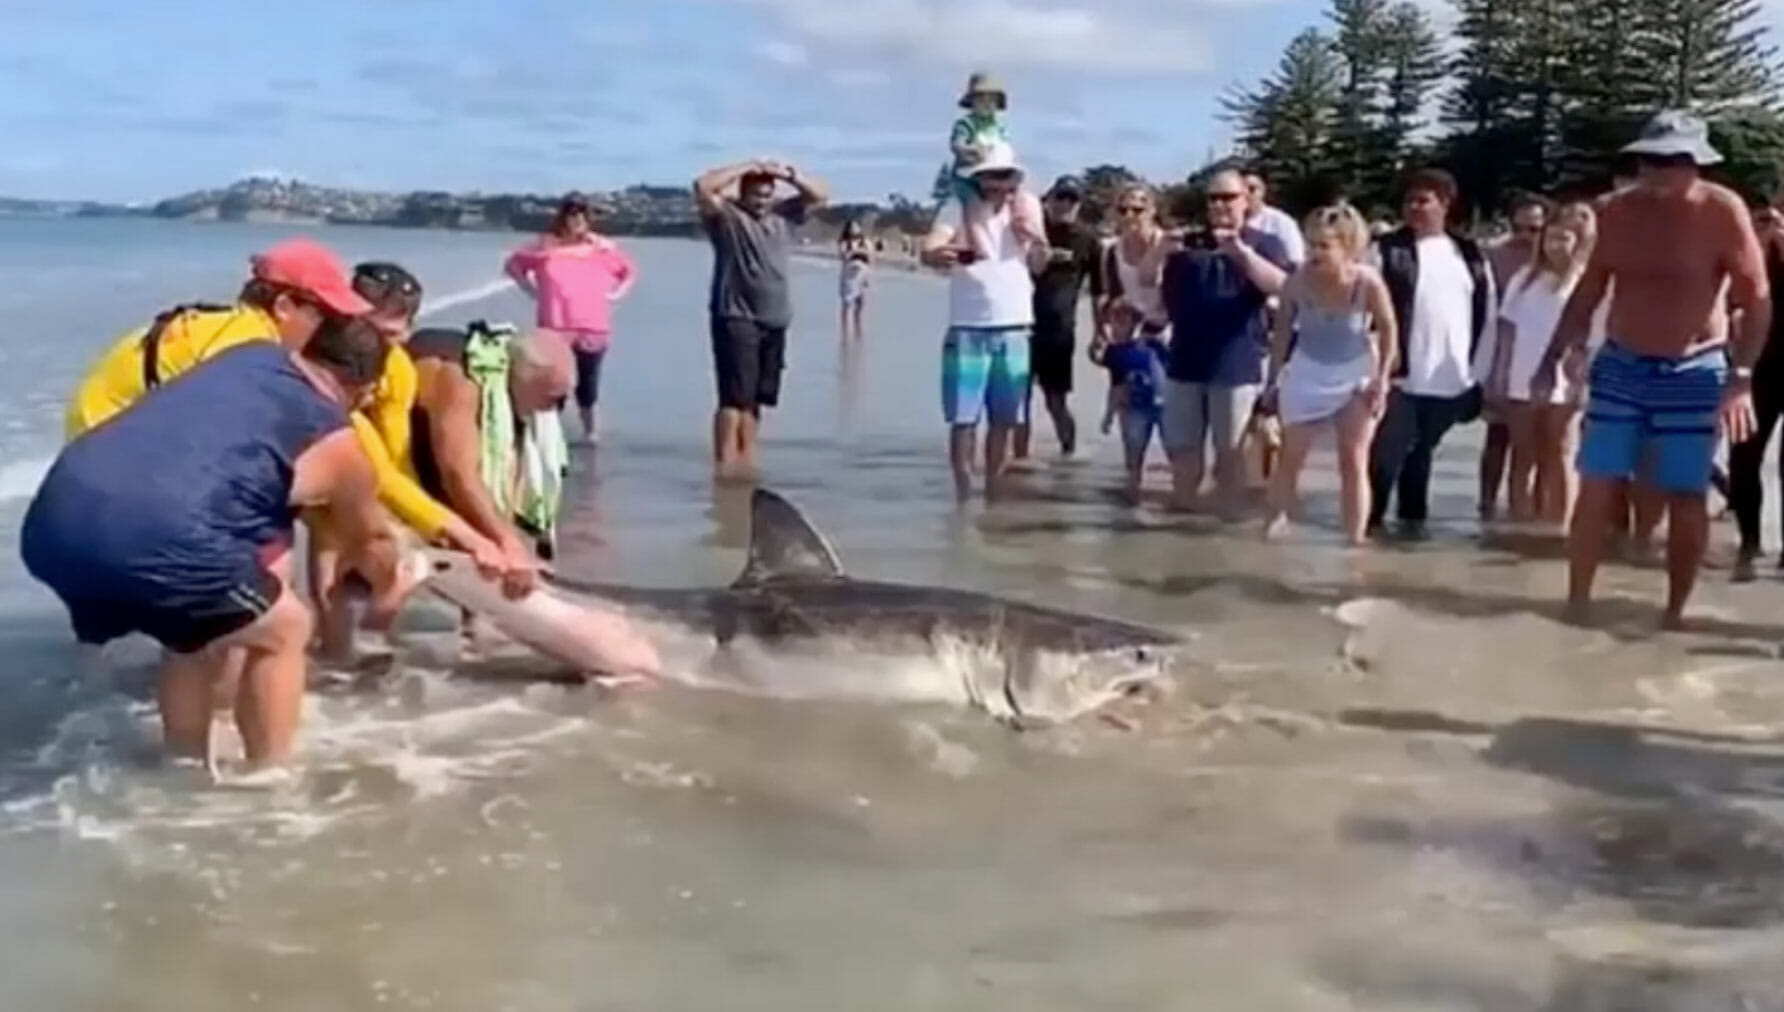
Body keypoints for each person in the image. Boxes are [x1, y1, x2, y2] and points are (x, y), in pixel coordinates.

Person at [20, 319, 478, 771]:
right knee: (286, 628)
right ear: (365, 389)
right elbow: (372, 541)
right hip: (157, 536)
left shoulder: (246, 357)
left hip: (51, 523)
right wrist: (391, 584)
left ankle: (182, 765)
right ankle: (268, 779)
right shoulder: (341, 444)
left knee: (191, 633)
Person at [1530, 110, 1772, 627]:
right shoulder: (1614, 211)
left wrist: (1742, 378)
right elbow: (1591, 289)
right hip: (1622, 364)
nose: (1661, 171)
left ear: (1698, 163)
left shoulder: (1722, 211)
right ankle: (1576, 603)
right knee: (1598, 484)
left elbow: (1757, 298)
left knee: (1685, 492)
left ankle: (1674, 612)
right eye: (1651, 160)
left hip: (1695, 369)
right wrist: (1553, 355)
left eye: (1674, 160)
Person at [1148, 167, 1292, 516]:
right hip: (1183, 362)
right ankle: (1182, 529)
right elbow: (1146, 282)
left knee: (1232, 457)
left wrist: (1240, 253)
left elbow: (1283, 286)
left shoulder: (1264, 242)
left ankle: (1226, 532)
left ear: (1247, 200)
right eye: (1213, 198)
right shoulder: (1187, 243)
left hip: (1236, 365)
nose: (1220, 205)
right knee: (1183, 454)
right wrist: (1160, 251)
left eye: (1228, 197)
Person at [1366, 168, 1496, 537]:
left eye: (1423, 200)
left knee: (1420, 460)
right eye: (1409, 201)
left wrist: (1479, 375)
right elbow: (1365, 314)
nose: (1414, 208)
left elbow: (1487, 316)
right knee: (1385, 460)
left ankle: (1410, 539)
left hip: (1451, 379)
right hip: (1398, 378)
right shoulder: (1385, 251)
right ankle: (1367, 532)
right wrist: (1375, 369)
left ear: (1445, 204)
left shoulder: (1470, 255)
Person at [918, 142, 1049, 501]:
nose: (998, 183)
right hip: (968, 324)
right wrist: (941, 254)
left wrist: (1033, 239)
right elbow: (929, 250)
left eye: (1005, 176)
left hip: (1016, 323)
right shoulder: (957, 206)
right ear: (979, 177)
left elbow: (1039, 264)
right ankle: (962, 492)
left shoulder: (1028, 206)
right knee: (963, 418)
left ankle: (993, 485)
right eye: (991, 176)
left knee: (1006, 418)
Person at [1262, 203, 1397, 545]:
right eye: (1311, 245)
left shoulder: (1367, 282)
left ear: (1348, 248)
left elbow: (1389, 327)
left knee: (1353, 460)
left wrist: (1382, 379)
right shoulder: (1295, 283)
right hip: (1307, 370)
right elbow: (1281, 336)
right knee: (1290, 458)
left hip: (1355, 373)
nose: (1315, 254)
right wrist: (1272, 382)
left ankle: (1355, 542)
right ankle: (1273, 529)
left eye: (1325, 246)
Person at [693, 158, 830, 479]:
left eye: (768, 194)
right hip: (735, 315)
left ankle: (748, 459)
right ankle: (724, 464)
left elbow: (821, 195)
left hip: (775, 317)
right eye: (756, 194)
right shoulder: (727, 216)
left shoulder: (785, 215)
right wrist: (745, 167)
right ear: (743, 194)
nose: (762, 200)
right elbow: (702, 186)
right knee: (733, 398)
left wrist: (788, 174)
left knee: (756, 399)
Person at [408, 322, 579, 568]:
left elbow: (511, 479)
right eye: (553, 399)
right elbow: (458, 474)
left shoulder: (518, 391)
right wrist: (505, 539)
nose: (555, 410)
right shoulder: (462, 383)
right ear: (525, 378)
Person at [1483, 210, 1594, 525]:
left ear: (1579, 242)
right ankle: (1519, 524)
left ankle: (1558, 527)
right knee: (1523, 454)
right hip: (1521, 374)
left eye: (1564, 238)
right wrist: (1499, 373)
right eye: (1551, 237)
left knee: (1559, 454)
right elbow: (1507, 329)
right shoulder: (1525, 278)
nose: (1556, 245)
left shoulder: (1585, 281)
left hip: (1564, 378)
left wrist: (1582, 374)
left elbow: (1590, 333)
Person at [504, 193, 637, 444]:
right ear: (562, 217)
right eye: (570, 214)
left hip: (592, 326)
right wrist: (530, 290)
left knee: (588, 384)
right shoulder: (545, 247)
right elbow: (513, 265)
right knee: (554, 383)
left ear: (587, 219)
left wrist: (615, 294)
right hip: (554, 325)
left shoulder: (602, 249)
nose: (575, 219)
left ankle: (590, 434)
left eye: (581, 215)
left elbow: (628, 272)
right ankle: (549, 437)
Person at [1014, 174, 1104, 461]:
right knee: (1018, 400)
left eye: (1071, 199)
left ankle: (1070, 454)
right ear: (1048, 200)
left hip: (1060, 332)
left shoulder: (1089, 240)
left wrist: (1100, 333)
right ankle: (1018, 462)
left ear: (1078, 204)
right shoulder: (1030, 230)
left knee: (1056, 402)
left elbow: (1100, 291)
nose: (1064, 204)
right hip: (1020, 326)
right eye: (1059, 198)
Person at [1479, 195, 1551, 521]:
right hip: (1502, 354)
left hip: (1548, 357)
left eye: (1533, 229)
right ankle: (1488, 507)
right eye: (1517, 227)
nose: (1524, 236)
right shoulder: (1494, 255)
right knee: (1497, 435)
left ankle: (1537, 513)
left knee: (1546, 444)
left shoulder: (1561, 262)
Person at [1725, 201, 1784, 581]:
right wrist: (1758, 248)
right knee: (1743, 455)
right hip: (1756, 366)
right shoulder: (1751, 249)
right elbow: (1730, 297)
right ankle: (1748, 543)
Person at [1099, 318, 1170, 503]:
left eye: (1119, 322)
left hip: (1165, 407)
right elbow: (1116, 386)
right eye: (1112, 322)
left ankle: (1179, 489)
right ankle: (1132, 491)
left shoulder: (1157, 346)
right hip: (1133, 408)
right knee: (1133, 451)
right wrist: (1109, 415)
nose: (1112, 328)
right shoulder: (1115, 352)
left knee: (1174, 450)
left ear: (1135, 325)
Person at [1242, 171, 1307, 267]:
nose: (1246, 194)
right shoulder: (1227, 222)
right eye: (1241, 190)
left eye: (1252, 189)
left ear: (1263, 191)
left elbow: (1296, 262)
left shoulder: (1281, 222)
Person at [837, 219, 873, 341]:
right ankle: (845, 330)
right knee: (847, 303)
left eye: (856, 226)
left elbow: (870, 257)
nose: (855, 229)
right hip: (849, 275)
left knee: (861, 303)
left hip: (862, 274)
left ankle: (858, 327)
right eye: (852, 227)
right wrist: (854, 252)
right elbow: (844, 256)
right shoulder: (844, 242)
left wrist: (869, 276)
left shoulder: (865, 241)